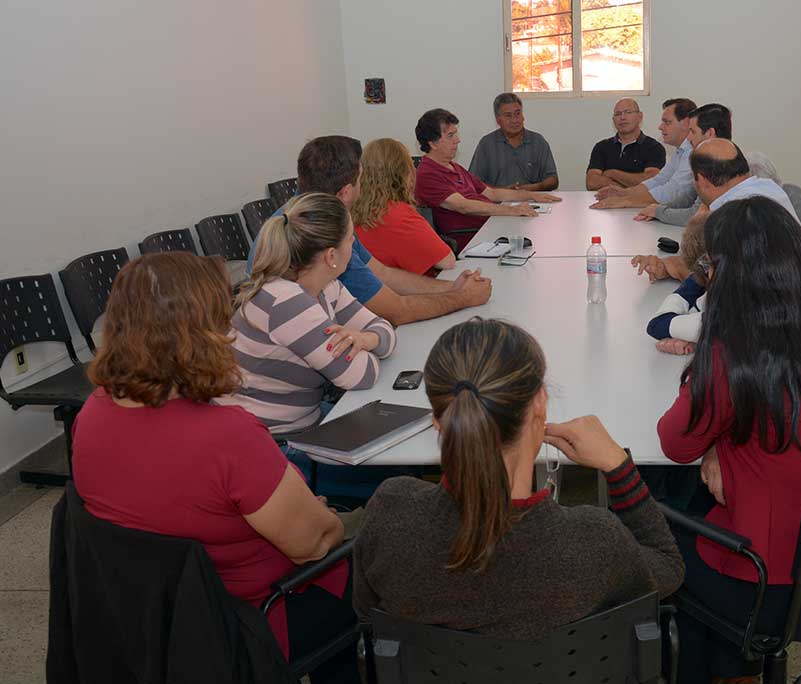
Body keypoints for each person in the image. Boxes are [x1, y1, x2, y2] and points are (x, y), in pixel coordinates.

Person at [72, 252, 356, 681]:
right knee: (359, 563)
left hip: (147, 621)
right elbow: (314, 545)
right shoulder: (229, 436)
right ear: (206, 332)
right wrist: (322, 516)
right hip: (247, 623)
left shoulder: (91, 415)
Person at [657, 198, 801, 683]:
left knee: (654, 527)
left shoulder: (731, 350)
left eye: (710, 266)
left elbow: (674, 444)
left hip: (776, 585)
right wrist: (720, 446)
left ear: (725, 276)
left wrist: (713, 438)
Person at [353, 318, 685, 639]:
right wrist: (617, 465)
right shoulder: (595, 542)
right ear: (540, 403)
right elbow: (668, 566)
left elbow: (369, 619)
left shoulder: (389, 513)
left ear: (438, 420)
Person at [248, 135, 493, 326]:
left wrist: (452, 287)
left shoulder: (302, 212)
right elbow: (396, 311)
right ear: (345, 192)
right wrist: (464, 298)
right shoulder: (322, 232)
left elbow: (382, 273)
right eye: (361, 180)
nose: (364, 187)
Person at [223, 192, 396, 434]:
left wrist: (367, 339)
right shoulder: (287, 302)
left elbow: (384, 329)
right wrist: (366, 344)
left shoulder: (327, 286)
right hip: (271, 438)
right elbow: (360, 375)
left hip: (302, 420)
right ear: (331, 256)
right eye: (350, 238)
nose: (354, 243)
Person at [631, 140, 799, 288]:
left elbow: (717, 285)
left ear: (701, 180)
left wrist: (674, 268)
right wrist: (670, 265)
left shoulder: (731, 213)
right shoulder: (769, 188)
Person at [414, 108, 561, 252]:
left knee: (543, 231)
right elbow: (463, 206)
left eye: (456, 134)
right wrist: (511, 210)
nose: (457, 140)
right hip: (473, 240)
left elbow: (492, 193)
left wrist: (531, 196)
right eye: (450, 136)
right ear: (432, 143)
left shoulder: (453, 167)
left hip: (491, 226)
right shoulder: (428, 174)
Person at [352, 137, 456, 276]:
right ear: (404, 173)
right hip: (412, 287)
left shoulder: (353, 212)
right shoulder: (398, 214)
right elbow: (447, 261)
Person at [590, 98, 696, 209]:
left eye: (667, 122)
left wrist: (625, 201)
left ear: (686, 123)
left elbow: (672, 190)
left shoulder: (693, 152)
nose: (660, 127)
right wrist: (624, 193)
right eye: (618, 114)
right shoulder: (680, 151)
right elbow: (659, 180)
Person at [469, 92, 558, 191]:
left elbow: (553, 180)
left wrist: (530, 188)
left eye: (517, 114)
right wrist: (505, 191)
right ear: (498, 120)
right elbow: (473, 183)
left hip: (533, 198)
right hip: (497, 200)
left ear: (523, 116)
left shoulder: (538, 141)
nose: (514, 120)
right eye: (508, 115)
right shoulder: (487, 144)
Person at [586, 98, 666, 192]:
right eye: (618, 114)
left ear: (640, 116)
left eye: (628, 112)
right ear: (613, 120)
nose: (622, 117)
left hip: (639, 201)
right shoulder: (601, 147)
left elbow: (652, 181)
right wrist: (625, 189)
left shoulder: (654, 148)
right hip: (607, 200)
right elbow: (591, 182)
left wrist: (613, 173)